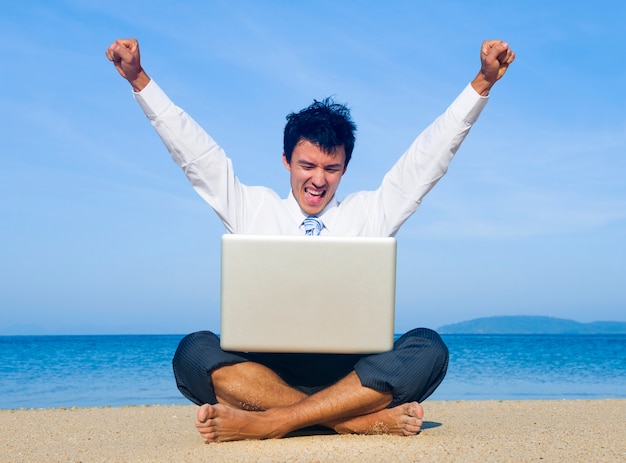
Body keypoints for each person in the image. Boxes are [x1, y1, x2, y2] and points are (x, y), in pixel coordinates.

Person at [106, 37, 515, 443]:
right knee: (192, 351)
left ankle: (272, 421)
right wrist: (139, 78)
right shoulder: (252, 208)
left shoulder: (369, 213)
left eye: (332, 168)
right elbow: (196, 157)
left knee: (429, 347)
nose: (318, 179)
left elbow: (428, 159)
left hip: (350, 374)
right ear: (286, 160)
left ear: (345, 168)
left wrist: (482, 82)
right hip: (266, 373)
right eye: (307, 165)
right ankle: (346, 421)